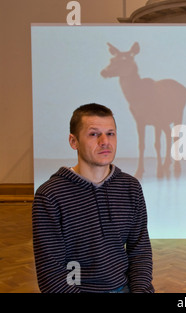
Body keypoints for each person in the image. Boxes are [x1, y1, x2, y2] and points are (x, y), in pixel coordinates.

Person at [32, 103, 154, 293]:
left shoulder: (130, 187)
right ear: (74, 141)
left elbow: (140, 251)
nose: (105, 141)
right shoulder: (50, 195)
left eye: (110, 133)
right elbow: (51, 273)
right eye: (94, 134)